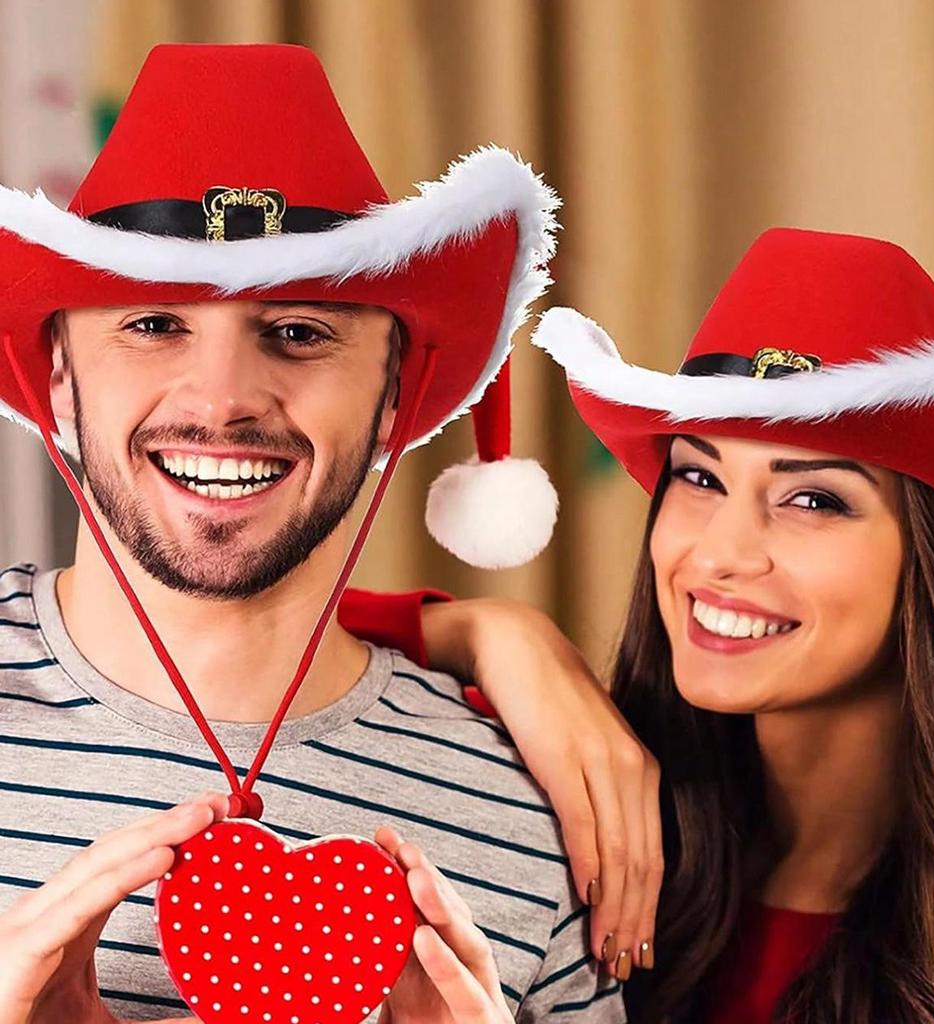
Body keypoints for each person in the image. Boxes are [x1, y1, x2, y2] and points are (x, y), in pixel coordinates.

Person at [0, 43, 651, 1023]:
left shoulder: (533, 813)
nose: (221, 401)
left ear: (398, 393)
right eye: (153, 324)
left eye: (299, 331)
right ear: (56, 373)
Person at [407, 228, 934, 1022]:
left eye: (813, 499)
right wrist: (494, 634)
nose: (720, 553)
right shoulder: (576, 797)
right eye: (699, 477)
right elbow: (236, 632)